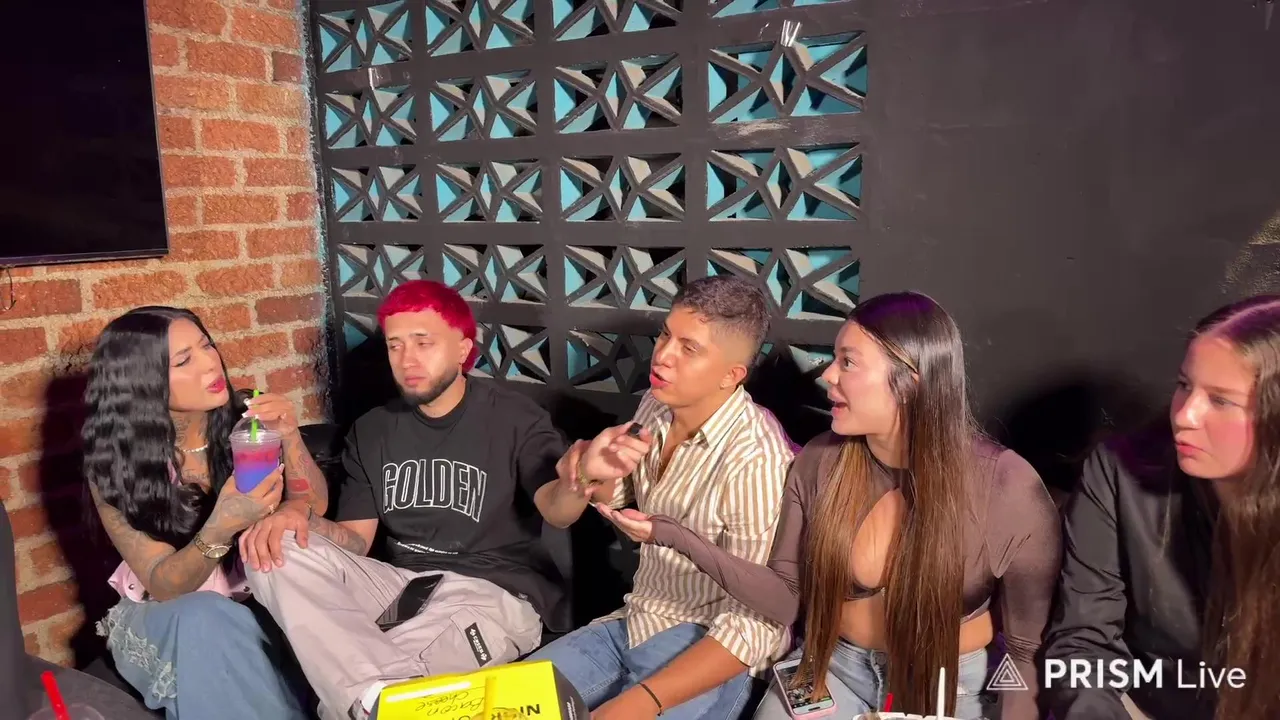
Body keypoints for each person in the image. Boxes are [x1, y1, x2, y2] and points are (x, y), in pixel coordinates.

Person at [593, 291, 1062, 719]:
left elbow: (1026, 651)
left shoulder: (1007, 486)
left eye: (848, 362)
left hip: (948, 686)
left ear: (910, 381)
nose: (827, 375)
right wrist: (672, 534)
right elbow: (784, 599)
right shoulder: (820, 461)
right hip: (832, 670)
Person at [246, 280, 571, 720]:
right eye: (395, 345)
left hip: (493, 592)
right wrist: (301, 518)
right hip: (400, 586)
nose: (407, 359)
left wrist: (581, 481)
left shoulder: (514, 417)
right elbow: (356, 542)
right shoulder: (372, 429)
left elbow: (557, 509)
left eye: (423, 343)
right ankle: (380, 698)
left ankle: (375, 697)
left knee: (373, 680)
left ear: (462, 349)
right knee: (272, 546)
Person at [530, 275, 795, 720]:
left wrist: (639, 702)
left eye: (689, 348)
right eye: (665, 335)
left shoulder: (756, 459)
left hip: (709, 650)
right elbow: (621, 504)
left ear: (731, 376)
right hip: (635, 620)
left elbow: (757, 624)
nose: (664, 355)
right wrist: (597, 475)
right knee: (498, 703)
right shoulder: (656, 405)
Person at [1043, 295, 1280, 720]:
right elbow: (1084, 644)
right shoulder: (1118, 472)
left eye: (1221, 400)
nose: (1185, 415)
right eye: (1184, 385)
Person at [83, 306, 326, 720]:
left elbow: (315, 505)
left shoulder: (248, 420)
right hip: (171, 614)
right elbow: (163, 585)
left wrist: (289, 437)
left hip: (257, 600)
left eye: (207, 345)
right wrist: (221, 525)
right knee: (205, 617)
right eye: (184, 361)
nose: (211, 362)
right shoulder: (115, 464)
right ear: (144, 382)